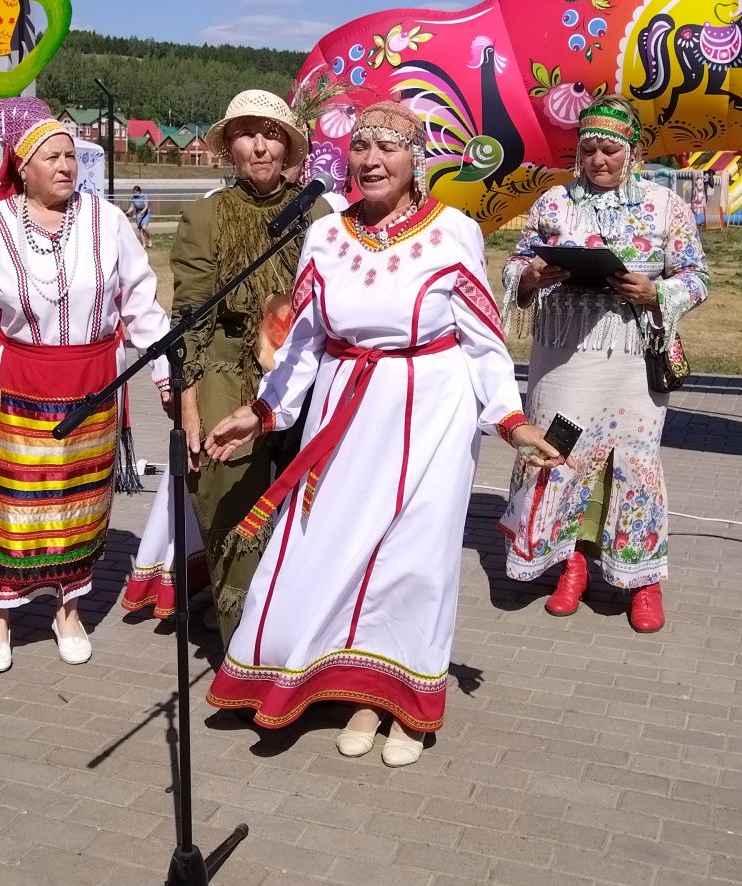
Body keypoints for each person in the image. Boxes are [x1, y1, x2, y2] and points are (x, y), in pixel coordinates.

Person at [202, 97, 561, 767]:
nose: (371, 160)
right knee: (332, 545)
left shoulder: (454, 230)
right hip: (346, 405)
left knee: (414, 557)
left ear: (415, 160)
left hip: (431, 404)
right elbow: (305, 342)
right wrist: (265, 408)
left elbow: (483, 341)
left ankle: (405, 705)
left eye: (387, 148)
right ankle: (351, 687)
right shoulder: (326, 235)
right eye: (361, 148)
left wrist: (510, 419)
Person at [0, 98, 171, 673]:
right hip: (20, 376)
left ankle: (69, 610)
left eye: (72, 156)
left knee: (82, 501)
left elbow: (140, 300)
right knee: (18, 503)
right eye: (52, 157)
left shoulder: (108, 221)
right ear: (23, 166)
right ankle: (0, 614)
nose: (66, 167)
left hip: (92, 379)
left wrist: (164, 370)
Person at [497, 94, 708, 633]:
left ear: (632, 150)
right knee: (560, 456)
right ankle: (570, 565)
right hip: (563, 359)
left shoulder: (667, 207)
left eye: (610, 149)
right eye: (588, 149)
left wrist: (656, 292)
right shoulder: (553, 204)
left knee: (632, 466)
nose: (598, 161)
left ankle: (641, 581)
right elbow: (518, 260)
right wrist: (530, 277)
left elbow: (695, 276)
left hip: (633, 362)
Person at [121, 89, 325, 637]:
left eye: (272, 135)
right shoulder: (204, 216)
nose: (260, 147)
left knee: (316, 497)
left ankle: (298, 627)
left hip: (308, 368)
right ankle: (245, 636)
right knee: (226, 489)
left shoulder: (321, 212)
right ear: (229, 147)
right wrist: (188, 404)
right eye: (246, 135)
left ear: (289, 148)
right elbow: (189, 321)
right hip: (226, 363)